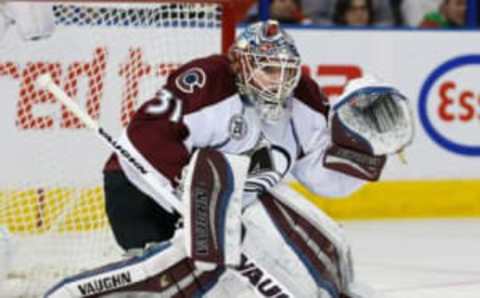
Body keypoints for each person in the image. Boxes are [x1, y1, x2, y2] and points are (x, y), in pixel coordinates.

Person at [45, 20, 413, 298]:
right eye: (268, 69)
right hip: (142, 193)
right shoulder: (208, 79)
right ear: (239, 63)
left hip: (221, 212)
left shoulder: (302, 99)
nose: (279, 82)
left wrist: (362, 147)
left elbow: (321, 178)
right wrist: (192, 206)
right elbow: (144, 138)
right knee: (174, 281)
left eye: (287, 71)